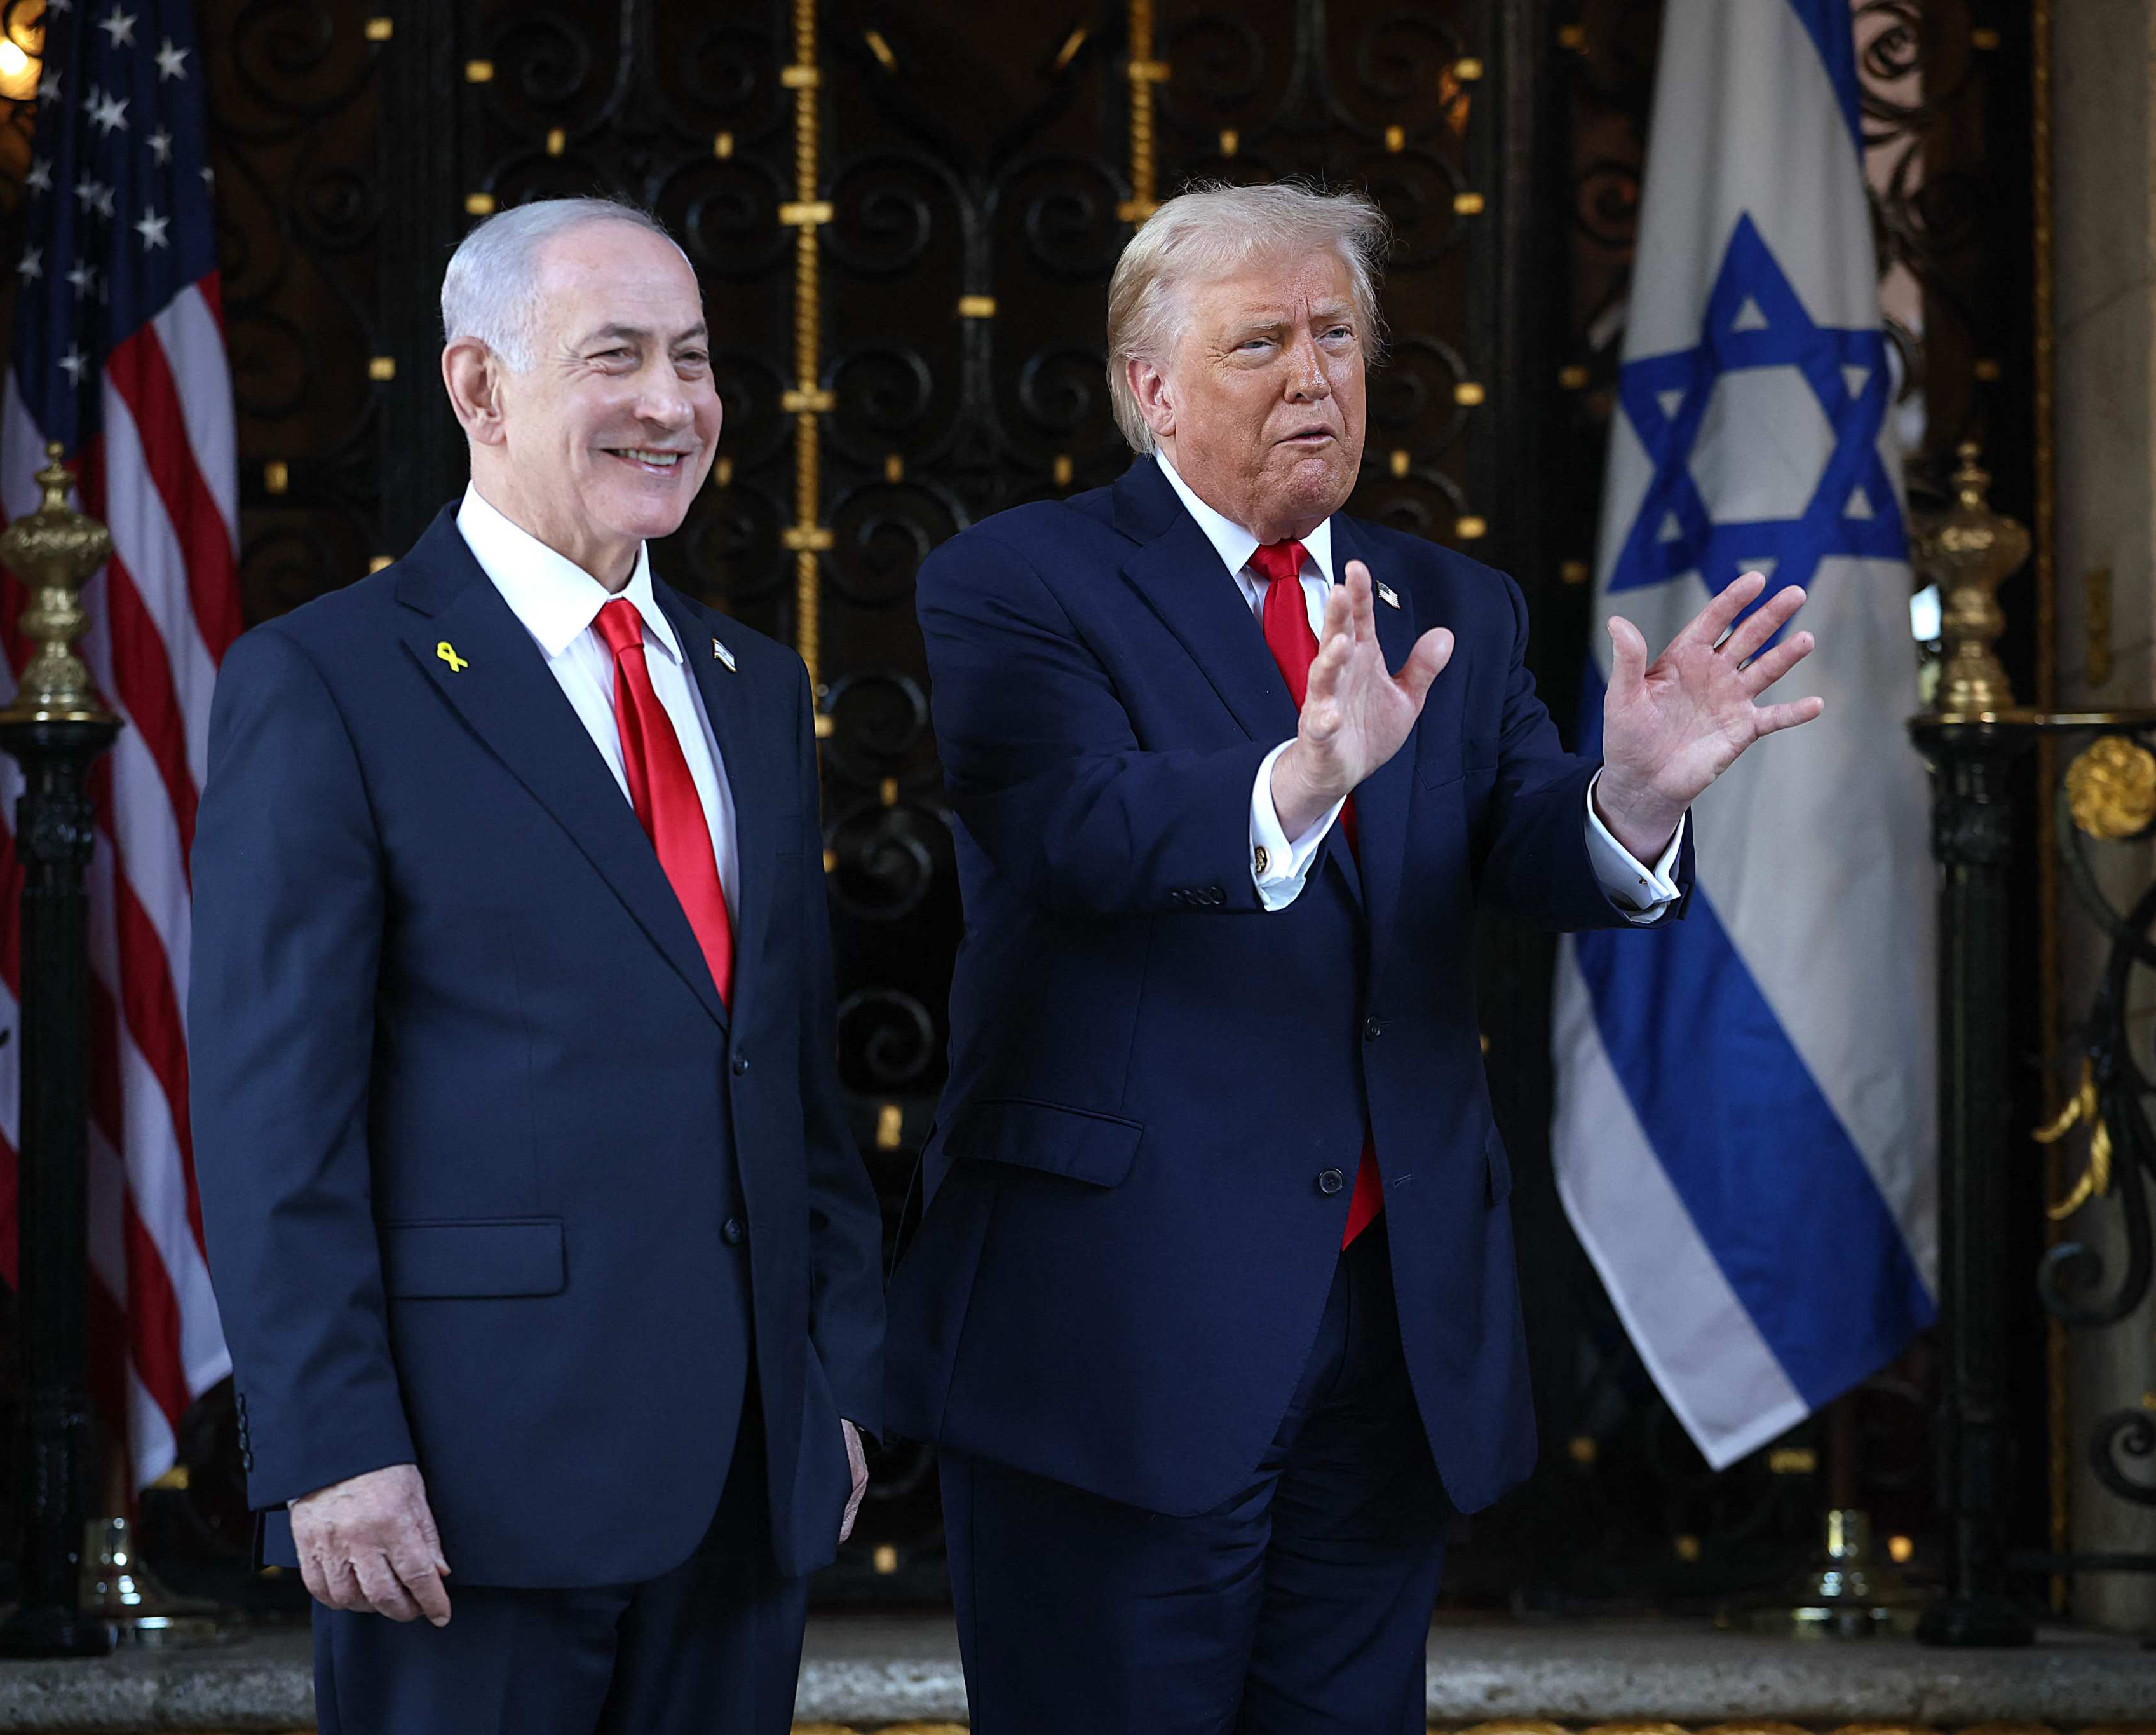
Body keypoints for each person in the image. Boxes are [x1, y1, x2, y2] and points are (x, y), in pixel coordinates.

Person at [880, 181, 1824, 1734]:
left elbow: (1522, 838)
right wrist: (1299, 780)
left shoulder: (1452, 604)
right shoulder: (1016, 578)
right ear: (1150, 389)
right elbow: (1072, 831)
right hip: (1122, 1324)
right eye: (1258, 342)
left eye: (1335, 335)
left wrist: (1633, 799)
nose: (1311, 373)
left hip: (1391, 1326)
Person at [189, 196, 885, 1735]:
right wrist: (329, 1445)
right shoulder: (329, 679)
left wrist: (833, 1380)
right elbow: (269, 1118)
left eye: (692, 360)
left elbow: (787, 1072)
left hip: (743, 1482)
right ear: (479, 388)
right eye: (614, 357)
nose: (670, 404)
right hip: (463, 1491)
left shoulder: (753, 686)